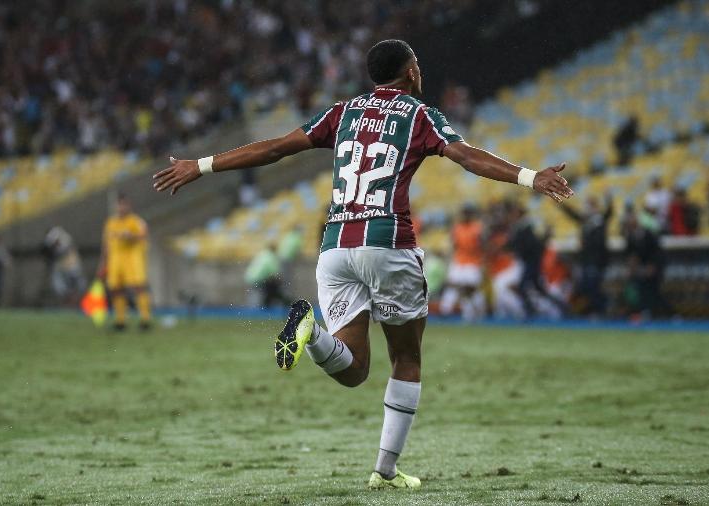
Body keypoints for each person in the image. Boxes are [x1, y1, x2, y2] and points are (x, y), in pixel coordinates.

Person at [153, 39, 573, 489]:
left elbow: (276, 148)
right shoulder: (418, 114)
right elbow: (465, 156)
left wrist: (202, 164)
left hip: (335, 248)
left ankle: (310, 331)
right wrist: (531, 177)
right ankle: (385, 471)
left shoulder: (342, 112)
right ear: (411, 71)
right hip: (388, 244)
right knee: (406, 357)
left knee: (353, 369)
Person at [98, 194, 152, 331]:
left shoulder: (136, 221)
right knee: (116, 289)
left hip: (132, 258)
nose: (122, 207)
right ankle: (120, 321)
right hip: (115, 259)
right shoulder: (110, 222)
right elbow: (105, 244)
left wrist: (130, 236)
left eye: (124, 204)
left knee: (139, 287)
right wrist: (103, 263)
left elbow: (144, 234)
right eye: (120, 204)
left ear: (129, 206)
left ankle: (145, 320)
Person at [559, 195, 612, 316]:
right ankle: (595, 310)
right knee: (588, 287)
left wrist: (608, 199)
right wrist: (561, 204)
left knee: (594, 286)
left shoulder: (599, 221)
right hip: (587, 260)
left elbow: (609, 213)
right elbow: (573, 214)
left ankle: (601, 309)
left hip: (597, 260)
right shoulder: (587, 221)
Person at [439, 205, 486, 321]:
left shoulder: (477, 228)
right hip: (459, 261)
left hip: (473, 263)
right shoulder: (457, 228)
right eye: (463, 213)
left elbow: (483, 246)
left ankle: (476, 313)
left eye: (467, 213)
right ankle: (445, 311)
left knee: (470, 289)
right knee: (452, 285)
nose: (464, 216)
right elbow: (454, 246)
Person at [43, 226, 86, 305]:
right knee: (60, 288)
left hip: (72, 267)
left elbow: (62, 250)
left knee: (79, 286)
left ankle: (78, 303)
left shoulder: (65, 240)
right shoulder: (52, 246)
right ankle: (68, 304)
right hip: (61, 269)